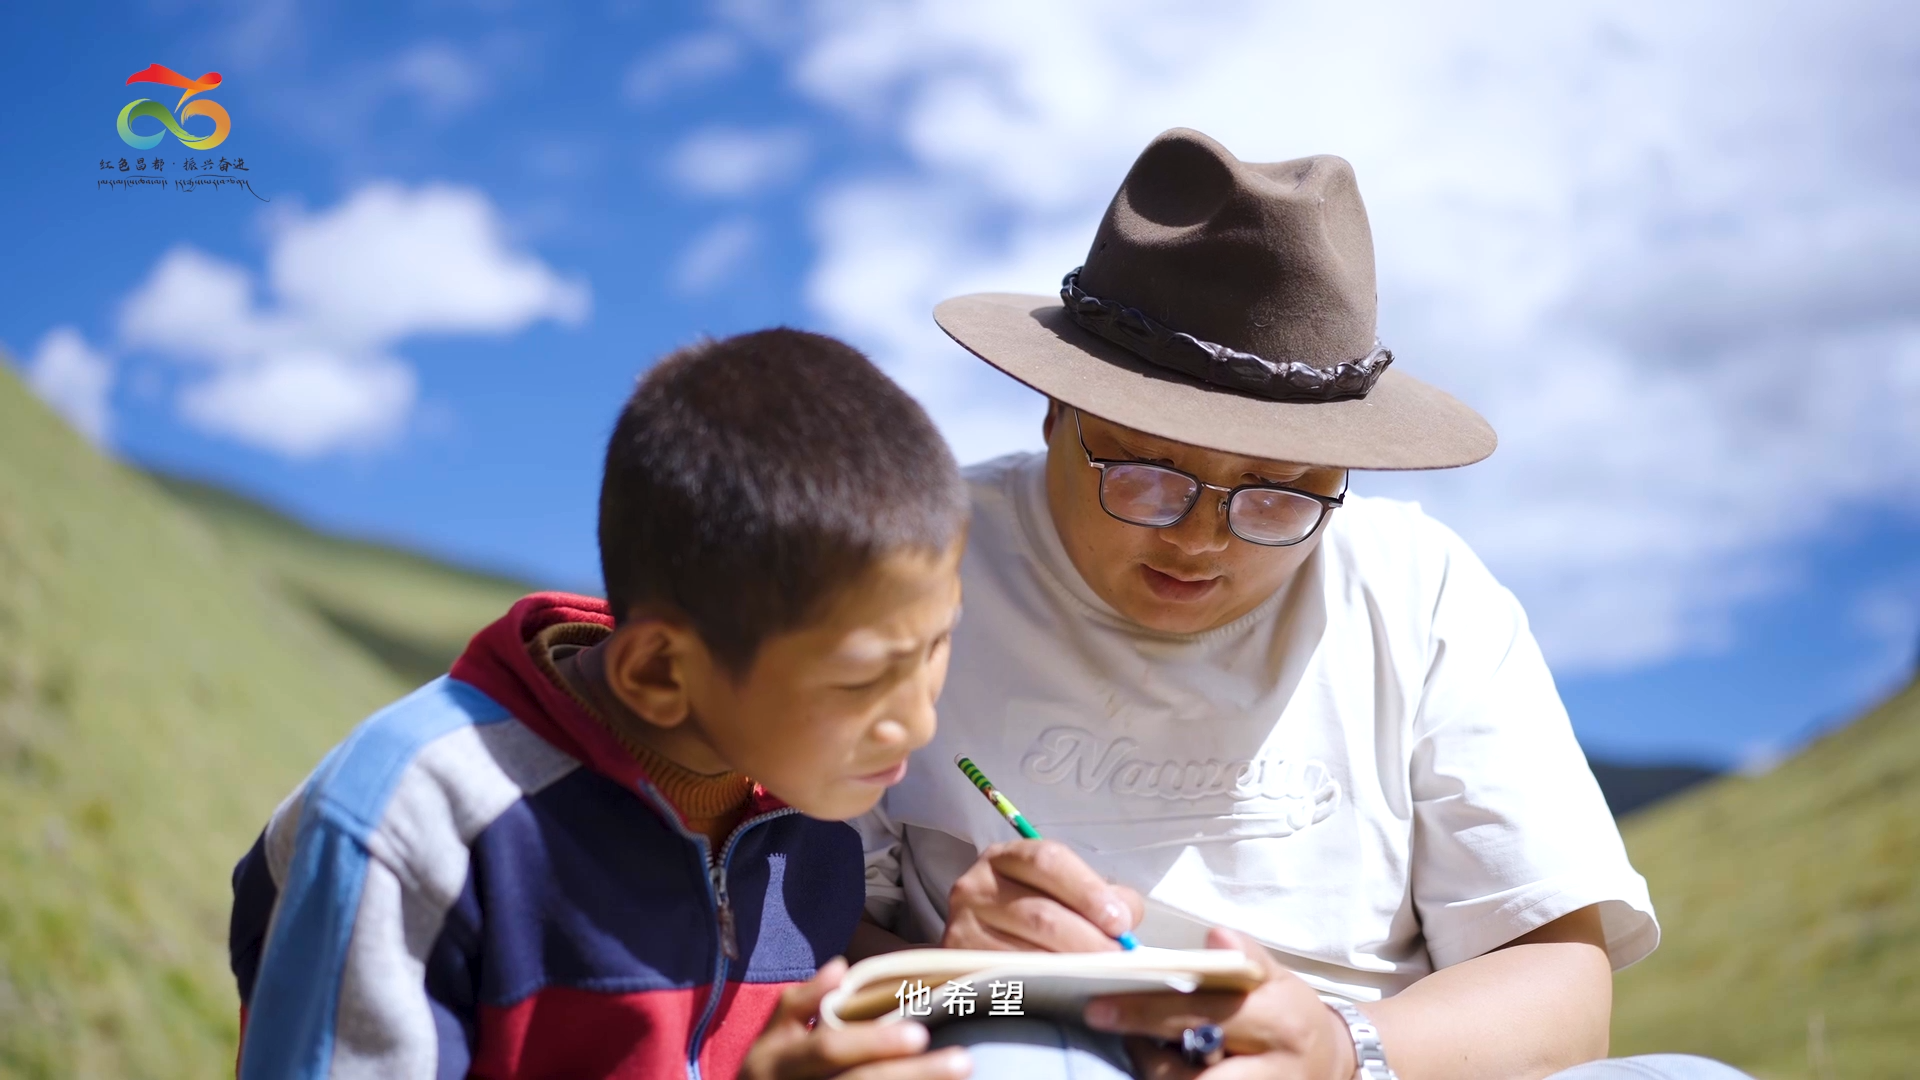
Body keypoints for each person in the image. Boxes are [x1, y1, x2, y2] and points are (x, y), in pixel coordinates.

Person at [852, 130, 1752, 1079]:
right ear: (1053, 412)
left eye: (1278, 494)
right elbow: (801, 955)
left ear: (1342, 471)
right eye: (1147, 472)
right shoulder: (914, 568)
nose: (1200, 539)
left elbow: (1562, 998)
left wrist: (1339, 1050)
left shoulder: (1422, 591)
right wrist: (964, 983)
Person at [228, 330, 973, 1080]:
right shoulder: (415, 827)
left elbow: (861, 990)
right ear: (658, 672)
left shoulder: (807, 814)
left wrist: (1015, 984)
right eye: (860, 680)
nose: (920, 723)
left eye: (939, 643)